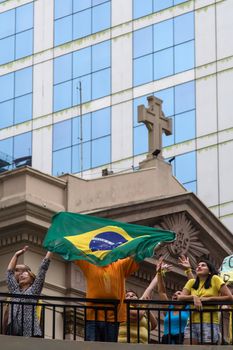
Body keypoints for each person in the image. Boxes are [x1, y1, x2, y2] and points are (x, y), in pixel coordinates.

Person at [75, 257, 138, 342]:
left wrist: (155, 247)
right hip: (93, 317)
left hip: (112, 318)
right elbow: (74, 252)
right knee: (92, 347)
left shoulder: (120, 265)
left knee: (109, 348)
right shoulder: (89, 263)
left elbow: (136, 255)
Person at [178, 259, 232, 345]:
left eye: (203, 265)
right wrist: (194, 297)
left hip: (209, 322)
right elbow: (180, 297)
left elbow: (229, 297)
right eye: (198, 265)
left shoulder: (215, 279)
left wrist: (209, 299)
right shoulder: (191, 282)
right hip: (192, 323)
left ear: (210, 271)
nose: (199, 266)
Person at [6, 246, 52, 337]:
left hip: (30, 332)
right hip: (14, 332)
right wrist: (16, 255)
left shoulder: (34, 290)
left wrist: (51, 250)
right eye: (20, 275)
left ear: (31, 279)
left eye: (25, 274)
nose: (21, 276)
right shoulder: (15, 291)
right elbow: (9, 273)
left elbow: (43, 269)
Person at [156, 256, 191, 344]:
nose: (175, 294)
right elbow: (162, 292)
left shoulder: (188, 308)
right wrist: (159, 273)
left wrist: (188, 270)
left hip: (182, 340)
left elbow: (194, 286)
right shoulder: (169, 308)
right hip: (167, 341)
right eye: (174, 294)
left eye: (179, 293)